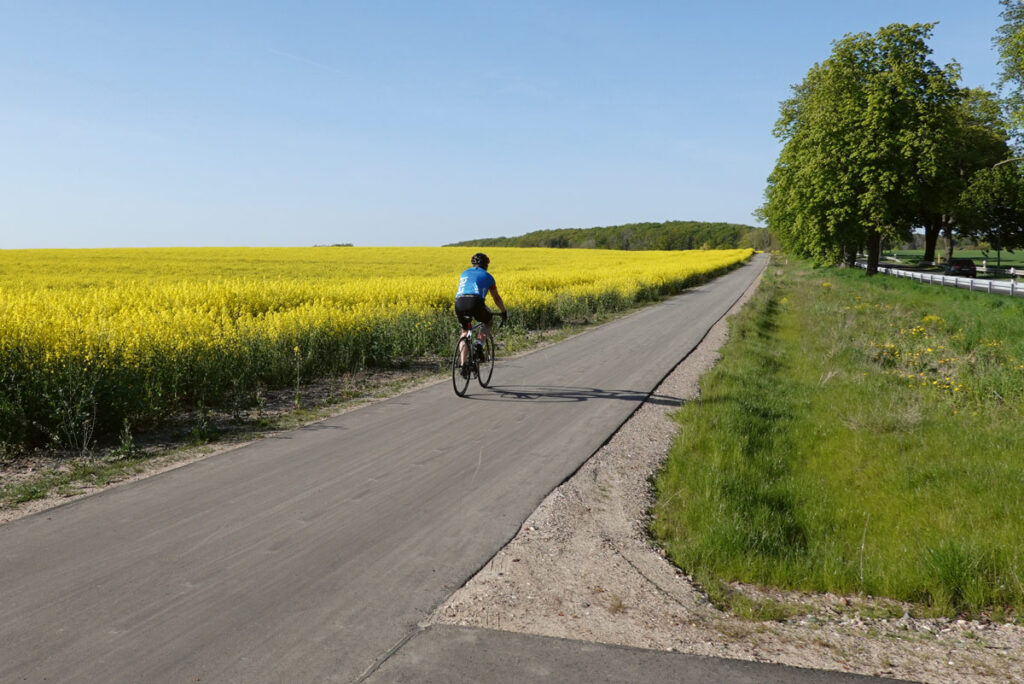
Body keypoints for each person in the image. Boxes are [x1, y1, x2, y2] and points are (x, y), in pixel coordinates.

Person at [454, 252, 507, 377]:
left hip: (459, 303)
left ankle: (462, 365)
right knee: (488, 322)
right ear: (486, 265)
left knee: (464, 332)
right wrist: (503, 312)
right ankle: (478, 344)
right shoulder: (488, 276)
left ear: (473, 263)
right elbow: (496, 298)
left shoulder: (464, 273)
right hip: (475, 302)